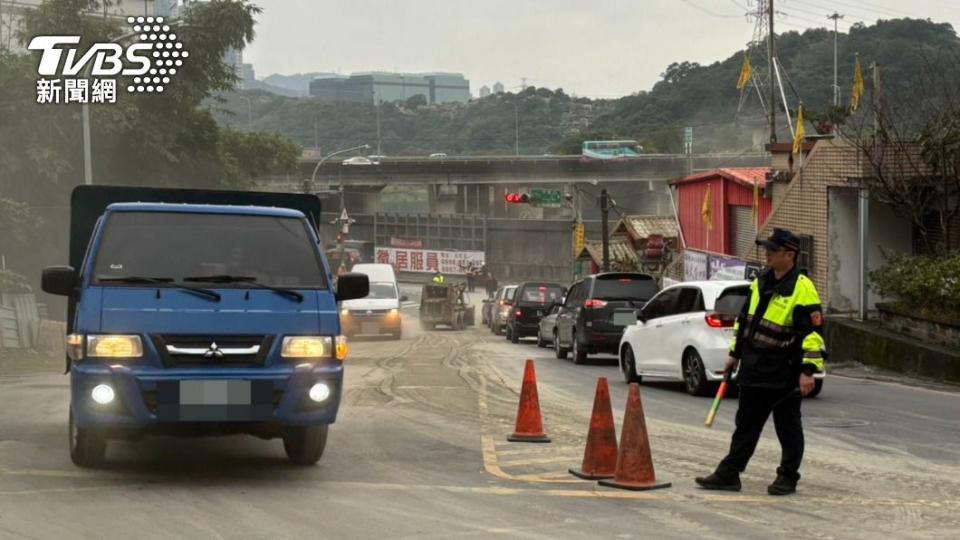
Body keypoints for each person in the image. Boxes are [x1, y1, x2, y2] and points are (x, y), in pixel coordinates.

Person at [695, 228, 826, 496]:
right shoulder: (761, 281)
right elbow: (745, 322)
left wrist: (808, 371)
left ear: (789, 255)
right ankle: (729, 474)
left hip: (784, 373)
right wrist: (734, 354)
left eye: (772, 250)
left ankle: (787, 477)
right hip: (753, 369)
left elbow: (813, 336)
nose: (766, 254)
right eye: (765, 249)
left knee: (787, 428)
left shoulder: (803, 289)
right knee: (746, 425)